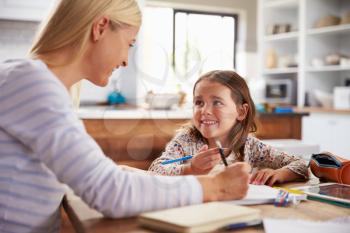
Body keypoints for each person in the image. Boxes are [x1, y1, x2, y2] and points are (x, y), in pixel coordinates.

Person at [0, 1, 251, 233]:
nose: (124, 61)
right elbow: (109, 193)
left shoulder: (32, 81)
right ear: (100, 28)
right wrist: (216, 187)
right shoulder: (32, 83)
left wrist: (134, 176)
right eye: (129, 43)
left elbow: (97, 179)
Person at [149, 70, 309, 186]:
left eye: (217, 102)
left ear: (241, 111)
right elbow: (155, 169)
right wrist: (191, 168)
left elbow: (301, 164)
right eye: (199, 102)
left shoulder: (251, 147)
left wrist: (279, 173)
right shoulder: (186, 141)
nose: (204, 111)